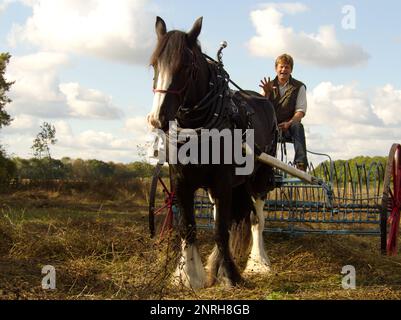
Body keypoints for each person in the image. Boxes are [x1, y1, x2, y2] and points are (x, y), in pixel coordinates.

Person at [259, 53, 308, 171]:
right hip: (271, 127)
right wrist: (266, 93)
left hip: (289, 127)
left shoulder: (299, 86)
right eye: (281, 67)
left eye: (287, 67)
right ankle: (261, 165)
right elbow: (260, 108)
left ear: (291, 70)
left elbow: (300, 111)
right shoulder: (268, 85)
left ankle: (301, 163)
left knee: (298, 126)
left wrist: (289, 123)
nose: (283, 69)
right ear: (276, 69)